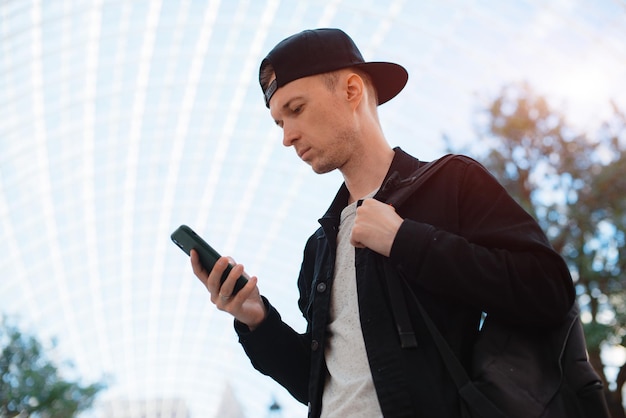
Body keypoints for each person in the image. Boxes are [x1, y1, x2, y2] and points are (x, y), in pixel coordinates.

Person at [190, 28, 575, 418]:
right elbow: (320, 384)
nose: (287, 137)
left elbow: (548, 290)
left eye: (296, 109)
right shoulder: (320, 246)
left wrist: (405, 240)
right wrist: (256, 320)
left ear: (352, 91)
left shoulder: (452, 183)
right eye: (278, 123)